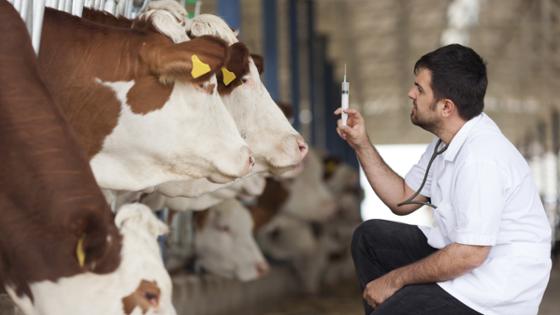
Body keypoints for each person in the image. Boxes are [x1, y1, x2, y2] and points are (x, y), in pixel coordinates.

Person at [335, 44, 552, 315]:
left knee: (398, 308)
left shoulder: (481, 157)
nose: (410, 94)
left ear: (446, 107)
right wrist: (361, 144)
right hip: (466, 261)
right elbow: (401, 199)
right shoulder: (446, 143)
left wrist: (394, 280)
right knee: (371, 238)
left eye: (420, 89)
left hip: (493, 291)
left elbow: (471, 254)